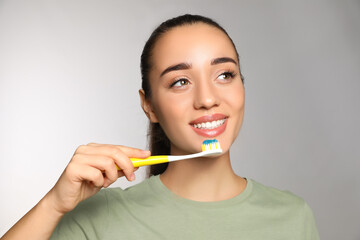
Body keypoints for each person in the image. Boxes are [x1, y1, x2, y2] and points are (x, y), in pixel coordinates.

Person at [1, 14, 320, 240]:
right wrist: (53, 204)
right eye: (180, 81)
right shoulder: (101, 218)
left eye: (225, 75)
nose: (208, 99)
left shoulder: (292, 216)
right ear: (149, 104)